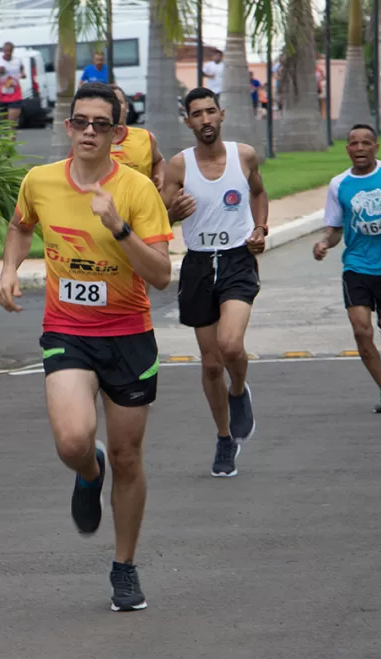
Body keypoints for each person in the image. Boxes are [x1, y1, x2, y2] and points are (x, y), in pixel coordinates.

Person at [0, 82, 174, 612]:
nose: (89, 131)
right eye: (80, 121)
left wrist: (118, 227)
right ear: (68, 126)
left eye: (101, 123)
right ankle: (86, 472)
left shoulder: (137, 191)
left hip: (128, 337)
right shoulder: (40, 181)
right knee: (74, 442)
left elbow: (162, 275)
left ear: (118, 133)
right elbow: (19, 226)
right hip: (68, 331)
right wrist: (9, 269)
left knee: (129, 457)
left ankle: (124, 567)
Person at [161, 87, 269, 479]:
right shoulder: (178, 166)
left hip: (239, 259)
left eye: (211, 112)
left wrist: (259, 227)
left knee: (230, 345)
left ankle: (238, 389)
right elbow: (158, 217)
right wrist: (172, 211)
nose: (205, 120)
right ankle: (224, 438)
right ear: (188, 122)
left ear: (222, 115)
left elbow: (258, 192)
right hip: (199, 265)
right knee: (209, 366)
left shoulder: (244, 156)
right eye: (197, 114)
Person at [313, 124, 381, 413]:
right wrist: (324, 243)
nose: (359, 148)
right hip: (357, 266)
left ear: (376, 147)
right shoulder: (339, 184)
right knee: (361, 332)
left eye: (366, 143)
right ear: (347, 149)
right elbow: (335, 230)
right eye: (353, 143)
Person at [69, 84, 165, 191]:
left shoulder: (146, 137)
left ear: (127, 107)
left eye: (118, 102)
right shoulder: (86, 141)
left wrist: (160, 177)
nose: (115, 107)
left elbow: (159, 160)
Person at [0, 42, 26, 132]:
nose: (8, 53)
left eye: (10, 51)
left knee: (11, 124)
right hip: (1, 96)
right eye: (6, 51)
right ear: (3, 51)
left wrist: (23, 74)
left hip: (15, 95)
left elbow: (22, 68)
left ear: (12, 51)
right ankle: (5, 144)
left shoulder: (17, 60)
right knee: (4, 125)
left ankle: (10, 145)